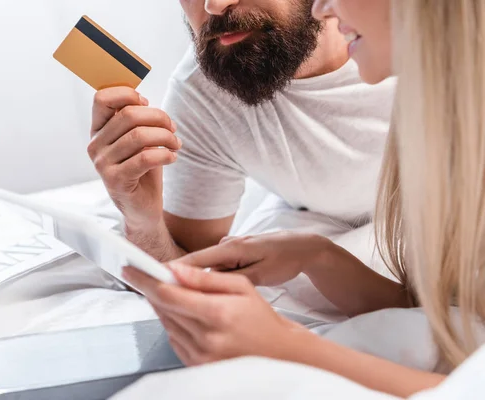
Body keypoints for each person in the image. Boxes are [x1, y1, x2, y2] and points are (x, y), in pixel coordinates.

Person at [121, 0, 485, 397]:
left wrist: (286, 346)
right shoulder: (434, 105)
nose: (322, 8)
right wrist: (316, 256)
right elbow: (457, 309)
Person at [87, 0, 395, 262]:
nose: (214, 5)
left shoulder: (416, 34)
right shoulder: (206, 92)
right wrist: (142, 221)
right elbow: (188, 264)